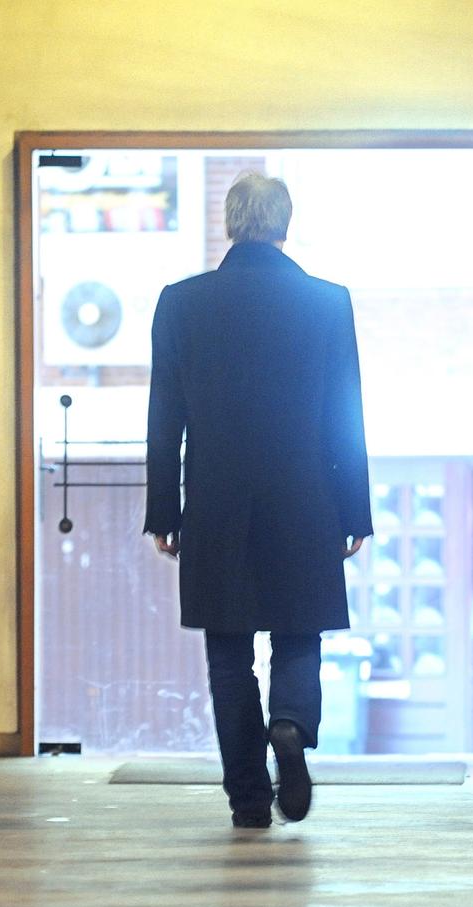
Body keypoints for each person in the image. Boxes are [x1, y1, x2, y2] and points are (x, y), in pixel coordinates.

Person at [144, 171, 372, 828]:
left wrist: (165, 511)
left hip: (216, 498)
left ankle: (247, 798)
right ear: (285, 224)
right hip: (308, 496)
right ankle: (292, 726)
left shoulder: (182, 303)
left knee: (228, 649)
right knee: (299, 633)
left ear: (229, 224)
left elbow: (166, 418)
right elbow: (344, 415)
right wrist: (355, 511)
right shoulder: (327, 302)